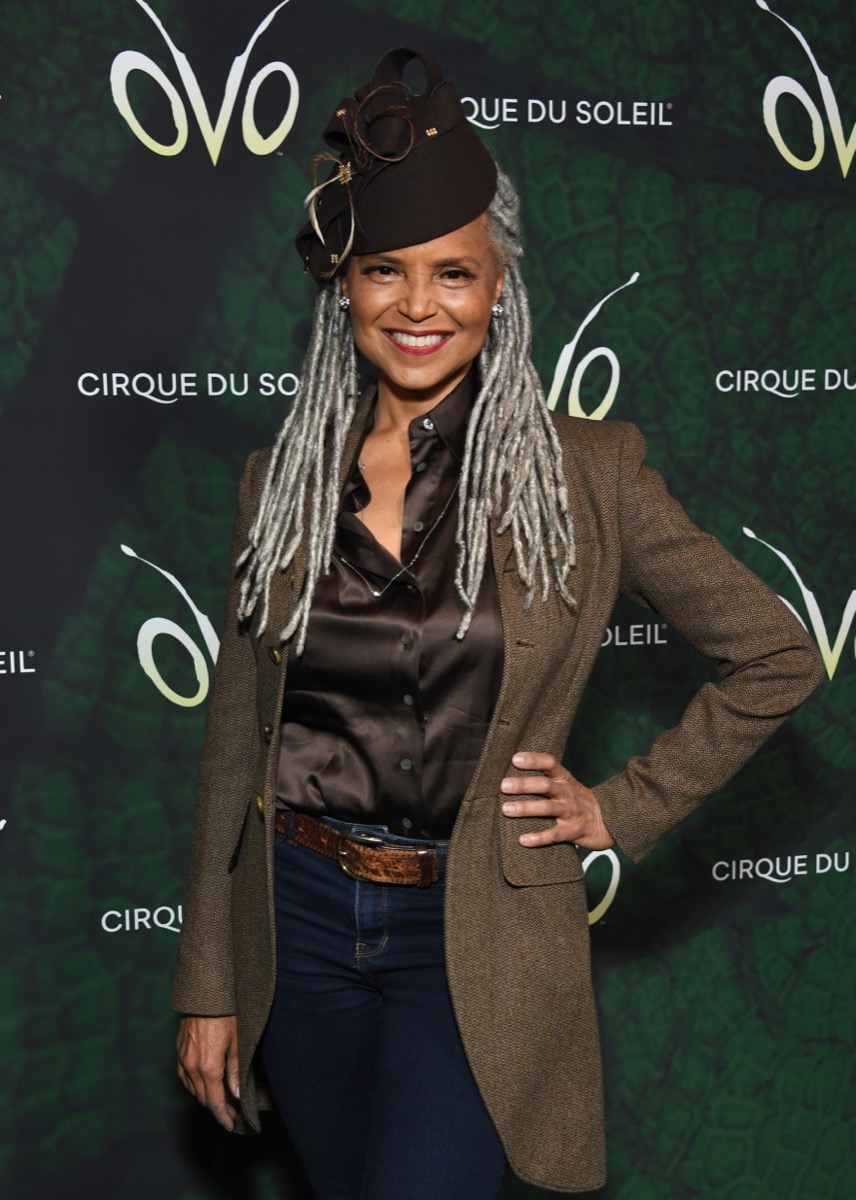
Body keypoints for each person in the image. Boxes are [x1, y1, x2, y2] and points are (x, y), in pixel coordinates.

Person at [172, 47, 824, 1199]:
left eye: (454, 274)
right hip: (298, 923)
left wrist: (622, 804)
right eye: (385, 271)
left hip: (473, 936)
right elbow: (236, 742)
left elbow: (775, 652)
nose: (419, 306)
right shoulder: (280, 480)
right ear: (343, 287)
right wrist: (208, 982)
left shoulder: (589, 475)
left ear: (499, 288)